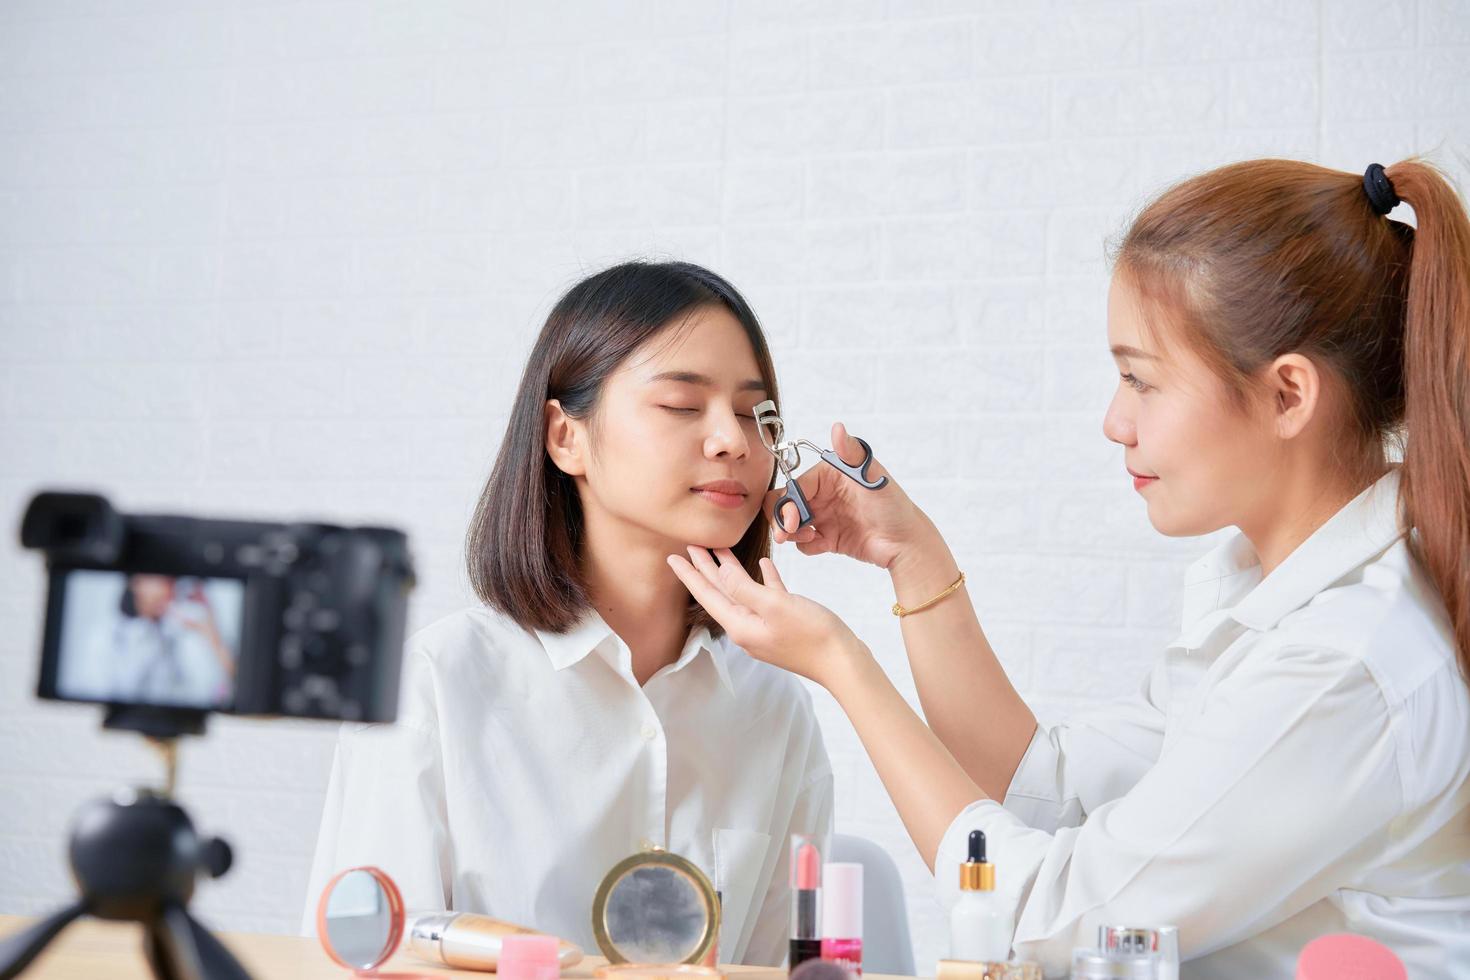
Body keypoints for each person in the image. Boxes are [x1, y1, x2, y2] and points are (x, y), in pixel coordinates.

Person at [668, 159, 1470, 976]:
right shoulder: (1272, 604)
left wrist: (840, 662)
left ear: (1289, 395)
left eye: (1140, 380)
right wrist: (914, 557)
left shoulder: (1344, 665)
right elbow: (1038, 786)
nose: (1113, 421)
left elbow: (1048, 918)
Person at [303, 261, 833, 965]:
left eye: (752, 413)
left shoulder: (773, 707)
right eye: (682, 404)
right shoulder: (436, 683)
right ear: (564, 436)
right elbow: (367, 958)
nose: (733, 441)